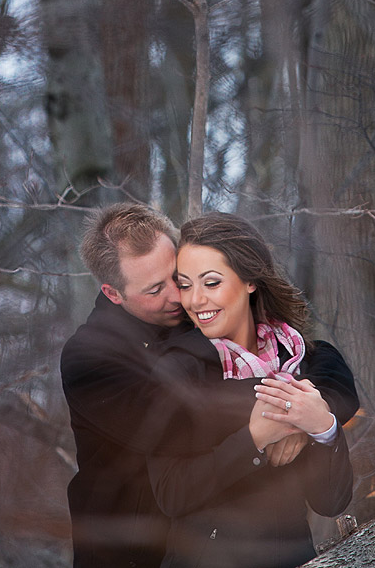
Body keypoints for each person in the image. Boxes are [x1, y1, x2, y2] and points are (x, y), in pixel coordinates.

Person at [60, 204, 358, 568]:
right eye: (155, 289)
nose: (176, 295)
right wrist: (281, 412)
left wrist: (310, 415)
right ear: (113, 293)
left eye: (178, 277)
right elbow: (178, 419)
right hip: (127, 553)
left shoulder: (200, 316)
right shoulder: (90, 357)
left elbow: (321, 359)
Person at [148, 212, 354, 568]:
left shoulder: (304, 361)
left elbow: (330, 503)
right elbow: (171, 492)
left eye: (211, 283)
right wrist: (256, 436)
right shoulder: (175, 370)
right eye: (185, 284)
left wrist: (321, 428)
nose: (195, 300)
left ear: (249, 280)